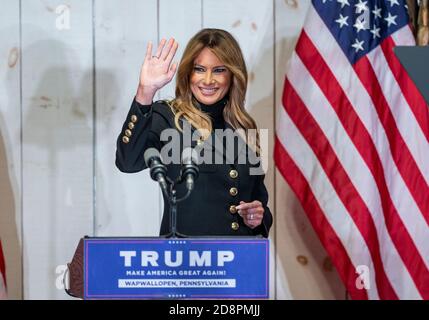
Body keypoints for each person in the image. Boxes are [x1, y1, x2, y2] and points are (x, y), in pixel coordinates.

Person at [116, 28, 272, 237]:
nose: (208, 80)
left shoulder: (247, 127)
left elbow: (260, 202)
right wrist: (145, 93)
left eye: (218, 70)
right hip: (185, 260)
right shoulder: (168, 117)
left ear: (233, 75)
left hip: (239, 259)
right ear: (188, 73)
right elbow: (127, 162)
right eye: (200, 69)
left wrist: (258, 217)